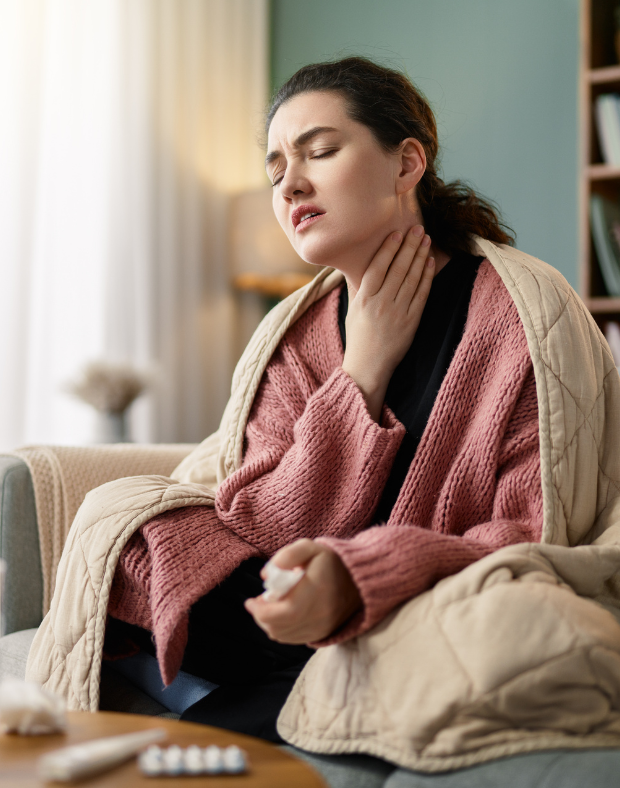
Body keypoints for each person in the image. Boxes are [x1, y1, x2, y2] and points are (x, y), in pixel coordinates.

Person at [105, 56, 544, 742]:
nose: (291, 185)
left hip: (429, 601)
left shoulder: (522, 314)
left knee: (507, 622)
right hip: (291, 618)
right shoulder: (297, 333)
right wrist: (362, 371)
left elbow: (532, 535)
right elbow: (266, 527)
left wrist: (361, 577)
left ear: (407, 164)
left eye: (321, 151)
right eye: (276, 168)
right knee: (136, 525)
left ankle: (214, 693)